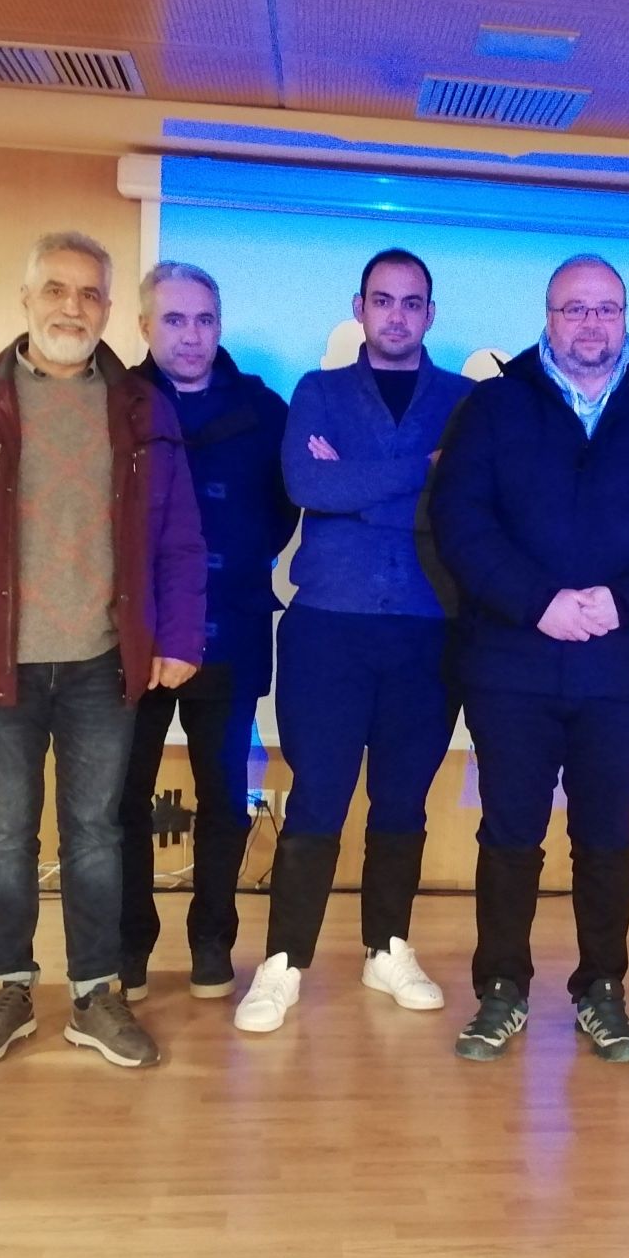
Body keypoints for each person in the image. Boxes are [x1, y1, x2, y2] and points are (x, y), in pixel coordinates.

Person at [0, 231, 205, 1070]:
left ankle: (96, 993)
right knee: (4, 834)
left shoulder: (142, 407)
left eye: (90, 293)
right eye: (56, 290)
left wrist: (180, 634)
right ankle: (9, 988)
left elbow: (178, 536)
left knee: (96, 832)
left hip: (103, 660)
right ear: (26, 299)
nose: (73, 307)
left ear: (109, 308)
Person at [433, 254, 629, 1064]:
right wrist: (539, 603)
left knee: (605, 836)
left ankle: (603, 990)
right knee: (509, 833)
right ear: (548, 316)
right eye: (574, 308)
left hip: (618, 670)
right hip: (510, 664)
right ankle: (501, 990)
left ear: (624, 318)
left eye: (606, 308)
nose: (591, 323)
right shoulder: (492, 407)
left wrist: (622, 604)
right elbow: (461, 522)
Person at [232, 249, 472, 1033]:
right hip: (327, 628)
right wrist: (421, 470)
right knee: (319, 794)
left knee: (402, 799)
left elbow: (457, 505)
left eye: (412, 302)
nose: (397, 315)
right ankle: (283, 963)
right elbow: (308, 485)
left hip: (428, 629)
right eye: (383, 300)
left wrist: (358, 483)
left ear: (430, 313)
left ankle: (387, 948)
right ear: (359, 307)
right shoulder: (319, 391)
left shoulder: (465, 402)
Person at [116, 262, 295, 1005]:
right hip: (132, 634)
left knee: (225, 794)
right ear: (143, 326)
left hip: (231, 627)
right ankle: (129, 942)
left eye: (205, 320)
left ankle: (212, 939)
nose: (192, 336)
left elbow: (281, 513)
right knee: (122, 798)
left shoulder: (263, 409)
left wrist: (232, 557)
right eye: (174, 320)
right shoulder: (114, 402)